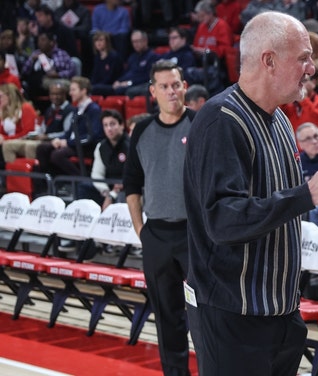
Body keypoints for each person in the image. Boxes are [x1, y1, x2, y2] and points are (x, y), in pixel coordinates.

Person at [183, 12, 318, 375]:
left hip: (280, 311)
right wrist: (305, 197)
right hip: (234, 315)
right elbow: (222, 219)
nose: (312, 68)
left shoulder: (280, 118)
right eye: (303, 58)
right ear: (269, 60)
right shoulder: (222, 120)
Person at [123, 60, 195, 376]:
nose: (171, 91)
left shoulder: (200, 124)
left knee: (204, 313)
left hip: (194, 236)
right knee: (167, 315)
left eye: (175, 84)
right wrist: (142, 231)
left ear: (184, 87)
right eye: (164, 86)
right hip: (157, 236)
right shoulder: (141, 130)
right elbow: (130, 185)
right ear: (153, 92)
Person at [36, 76, 103, 177]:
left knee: (57, 155)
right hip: (73, 143)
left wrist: (67, 142)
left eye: (73, 90)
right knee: (42, 148)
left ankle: (81, 180)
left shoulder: (94, 109)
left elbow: (92, 135)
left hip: (85, 146)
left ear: (83, 91)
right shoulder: (77, 109)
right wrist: (59, 139)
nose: (70, 93)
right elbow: (70, 132)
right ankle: (49, 180)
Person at [2, 81, 74, 164]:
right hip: (42, 139)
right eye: (52, 94)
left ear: (64, 95)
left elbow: (67, 133)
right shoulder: (50, 109)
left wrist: (47, 136)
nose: (55, 97)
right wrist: (33, 135)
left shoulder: (69, 110)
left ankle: (34, 174)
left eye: (58, 94)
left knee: (30, 146)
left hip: (56, 141)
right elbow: (42, 128)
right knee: (8, 145)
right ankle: (12, 174)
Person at [77, 109, 128, 209]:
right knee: (84, 186)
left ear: (121, 125)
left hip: (125, 187)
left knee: (123, 195)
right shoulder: (101, 147)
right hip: (107, 188)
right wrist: (106, 192)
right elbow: (97, 174)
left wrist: (112, 195)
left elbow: (131, 177)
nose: (109, 128)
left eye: (112, 124)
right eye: (105, 125)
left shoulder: (131, 146)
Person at [94, 30, 159, 98]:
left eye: (137, 41)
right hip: (123, 85)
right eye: (133, 42)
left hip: (137, 86)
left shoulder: (152, 57)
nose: (135, 44)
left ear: (145, 41)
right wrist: (118, 81)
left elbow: (147, 77)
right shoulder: (132, 57)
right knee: (97, 88)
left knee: (113, 90)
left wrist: (129, 83)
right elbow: (125, 73)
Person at [21, 31, 76, 101]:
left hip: (57, 79)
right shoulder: (35, 54)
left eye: (43, 40)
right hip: (39, 82)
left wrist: (58, 74)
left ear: (51, 42)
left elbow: (71, 70)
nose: (40, 43)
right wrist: (32, 60)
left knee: (66, 84)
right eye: (39, 40)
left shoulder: (61, 53)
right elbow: (24, 72)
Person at [0, 84, 37, 167]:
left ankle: (7, 176)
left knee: (4, 147)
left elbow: (28, 133)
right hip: (9, 141)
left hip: (25, 141)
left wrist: (5, 139)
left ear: (9, 95)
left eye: (1, 96)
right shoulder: (4, 111)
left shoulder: (26, 108)